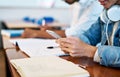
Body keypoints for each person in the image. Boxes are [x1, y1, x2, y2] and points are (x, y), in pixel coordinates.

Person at [56, 0, 120, 67]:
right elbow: (90, 36)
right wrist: (72, 44)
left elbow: (89, 50)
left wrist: (91, 51)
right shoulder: (107, 12)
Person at [21, 0, 103, 39]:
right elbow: (73, 28)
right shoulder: (76, 3)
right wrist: (53, 31)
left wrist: (36, 33)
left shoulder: (98, 3)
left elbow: (76, 34)